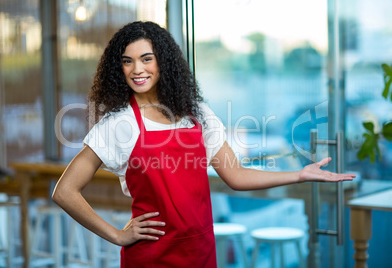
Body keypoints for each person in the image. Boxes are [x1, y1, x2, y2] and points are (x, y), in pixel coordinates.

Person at [52, 21, 355, 268]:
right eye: (127, 62)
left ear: (164, 62)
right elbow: (65, 191)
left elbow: (236, 175)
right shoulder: (119, 125)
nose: (137, 69)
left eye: (147, 59)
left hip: (200, 254)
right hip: (150, 258)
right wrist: (117, 235)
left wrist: (299, 174)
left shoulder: (197, 114)